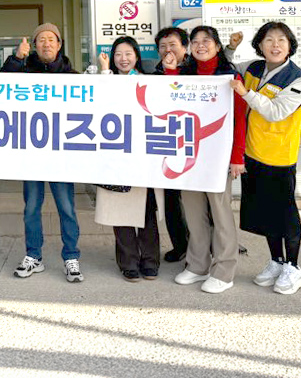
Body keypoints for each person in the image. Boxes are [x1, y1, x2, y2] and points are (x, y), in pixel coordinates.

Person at [162, 25, 246, 294]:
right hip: (189, 155)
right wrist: (171, 71)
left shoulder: (229, 76)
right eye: (195, 41)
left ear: (218, 47)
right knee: (194, 212)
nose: (200, 45)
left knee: (220, 214)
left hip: (218, 157)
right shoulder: (186, 74)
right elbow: (172, 103)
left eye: (206, 40)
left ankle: (224, 271)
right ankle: (198, 265)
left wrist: (237, 157)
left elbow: (240, 120)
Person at [0, 23, 84, 283]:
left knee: (67, 208)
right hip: (32, 155)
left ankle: (71, 257)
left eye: (51, 39)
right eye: (41, 40)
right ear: (34, 45)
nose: (46, 43)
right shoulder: (23, 72)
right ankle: (33, 256)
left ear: (59, 44)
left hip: (62, 155)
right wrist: (17, 58)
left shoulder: (73, 76)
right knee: (31, 208)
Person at [229, 22, 301, 294]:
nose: (275, 45)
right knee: (266, 213)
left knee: (285, 215)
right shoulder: (253, 68)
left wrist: (246, 94)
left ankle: (294, 268)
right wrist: (230, 48)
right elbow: (227, 68)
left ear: (290, 46)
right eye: (269, 40)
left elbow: (276, 112)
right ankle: (276, 261)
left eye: (281, 40)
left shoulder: (297, 79)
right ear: (260, 45)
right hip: (253, 154)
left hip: (279, 157)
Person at [95, 37, 162, 282]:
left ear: (136, 56)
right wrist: (104, 72)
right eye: (118, 54)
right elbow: (102, 102)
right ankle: (128, 262)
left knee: (146, 211)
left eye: (128, 53)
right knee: (120, 212)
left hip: (143, 157)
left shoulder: (149, 80)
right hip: (115, 157)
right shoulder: (104, 80)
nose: (123, 59)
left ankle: (150, 260)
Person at [153, 27, 190, 263]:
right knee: (171, 201)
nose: (168, 50)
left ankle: (205, 248)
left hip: (195, 144)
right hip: (166, 144)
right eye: (163, 46)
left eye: (173, 45)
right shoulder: (154, 74)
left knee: (199, 203)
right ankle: (180, 245)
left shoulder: (197, 71)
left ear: (184, 47)